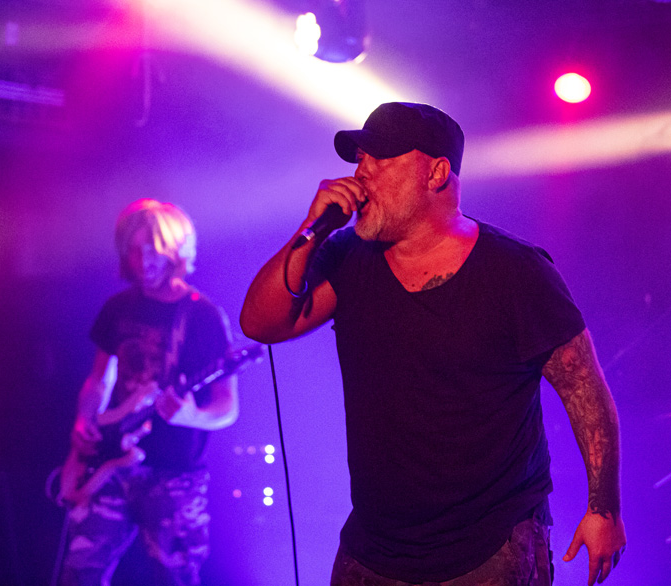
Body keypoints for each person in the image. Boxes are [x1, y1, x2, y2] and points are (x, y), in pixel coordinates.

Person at [240, 102, 626, 586]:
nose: (361, 174)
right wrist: (310, 230)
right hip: (374, 548)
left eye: (380, 159)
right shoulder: (347, 257)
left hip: (489, 547)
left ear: (437, 173)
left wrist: (604, 510)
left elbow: (584, 390)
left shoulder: (516, 271)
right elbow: (260, 324)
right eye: (359, 159)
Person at [60, 199, 239, 586]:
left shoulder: (204, 316)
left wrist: (193, 416)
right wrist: (83, 423)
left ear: (175, 250)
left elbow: (227, 405)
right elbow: (99, 380)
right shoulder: (118, 307)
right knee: (78, 573)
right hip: (112, 466)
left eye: (153, 251)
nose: (143, 262)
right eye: (134, 251)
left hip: (175, 476)